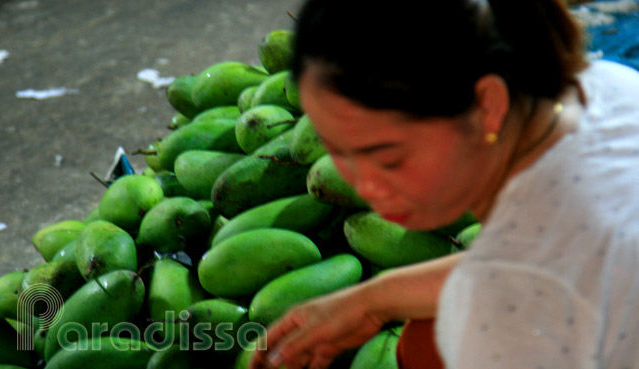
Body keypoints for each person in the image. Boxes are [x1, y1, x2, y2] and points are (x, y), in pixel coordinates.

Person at [250, 0, 639, 368]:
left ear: (489, 104)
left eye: (388, 157)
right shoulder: (602, 85)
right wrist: (371, 301)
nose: (366, 188)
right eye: (339, 153)